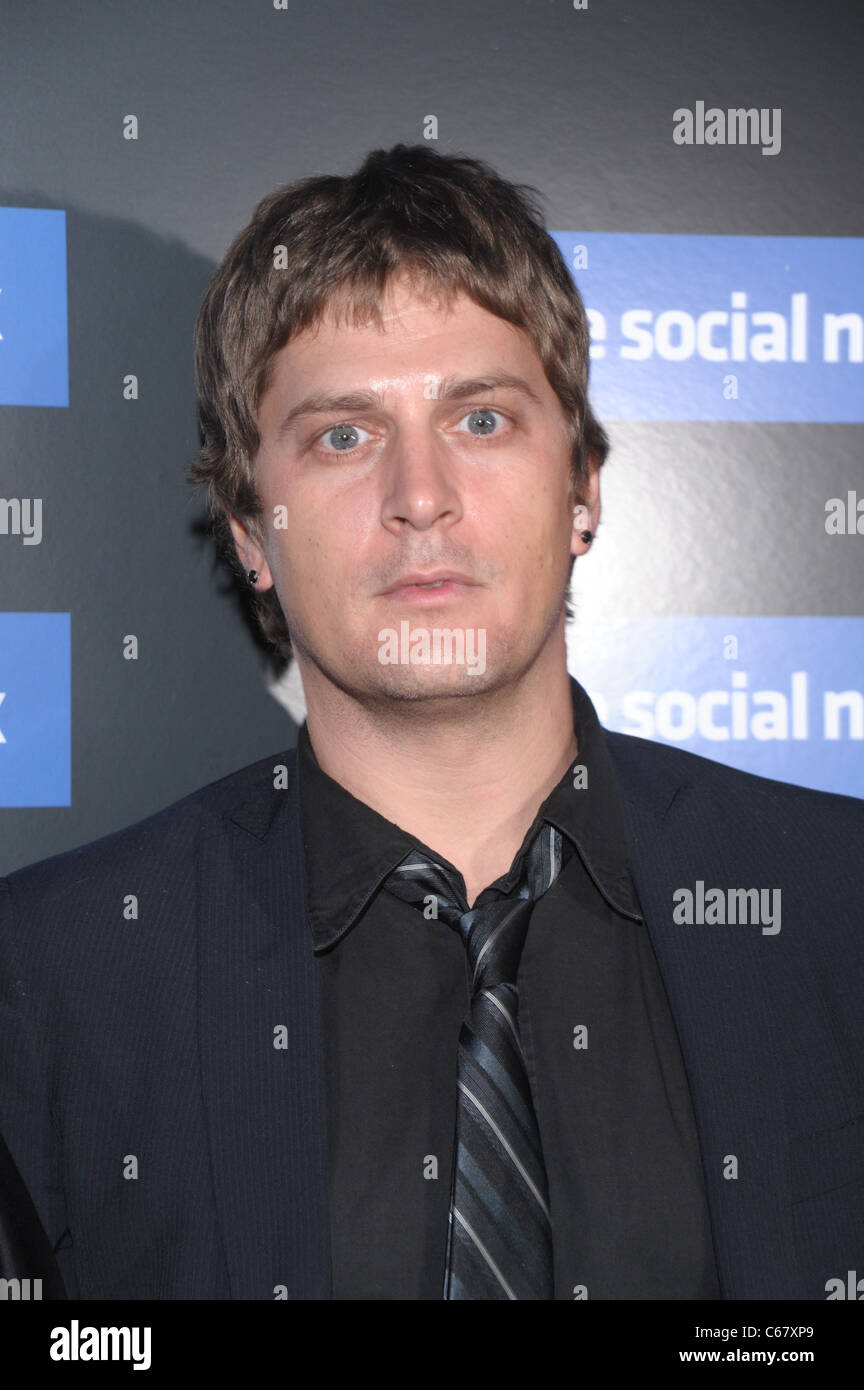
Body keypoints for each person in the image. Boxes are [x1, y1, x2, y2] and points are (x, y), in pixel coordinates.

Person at [0, 144, 861, 1301]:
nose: (420, 494)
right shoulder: (56, 975)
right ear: (252, 529)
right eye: (343, 436)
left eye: (484, 419)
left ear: (585, 488)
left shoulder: (835, 900)